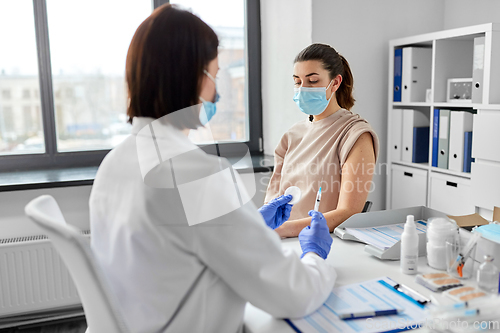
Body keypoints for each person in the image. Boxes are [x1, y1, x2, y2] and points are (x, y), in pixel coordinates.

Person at [89, 5, 336, 333]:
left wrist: (250, 225)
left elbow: (172, 243)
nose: (216, 91)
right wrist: (315, 256)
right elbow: (293, 294)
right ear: (189, 78)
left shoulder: (116, 162)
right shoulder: (194, 174)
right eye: (214, 75)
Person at [265, 43, 380, 238]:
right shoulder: (292, 135)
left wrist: (282, 231)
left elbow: (348, 213)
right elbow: (271, 202)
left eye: (312, 81)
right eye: (298, 81)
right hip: (280, 241)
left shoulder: (355, 134)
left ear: (335, 83)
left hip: (321, 242)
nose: (303, 89)